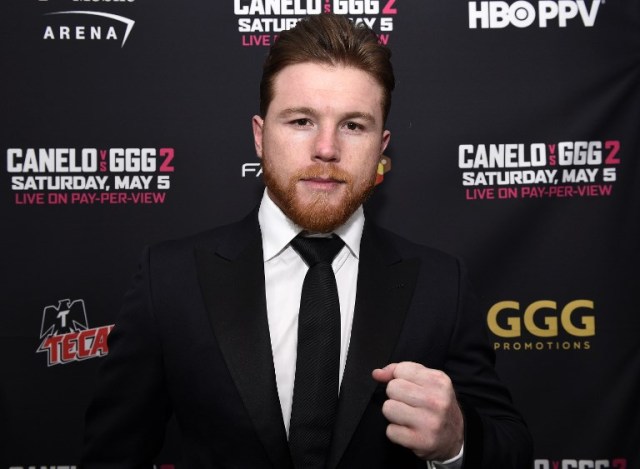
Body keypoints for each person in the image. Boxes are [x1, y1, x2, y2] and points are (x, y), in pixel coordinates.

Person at [82, 13, 533, 468]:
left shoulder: (442, 284)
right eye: (301, 121)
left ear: (382, 146)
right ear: (260, 136)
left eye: (354, 125)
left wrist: (456, 440)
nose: (326, 148)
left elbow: (511, 447)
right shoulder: (170, 279)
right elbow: (112, 456)